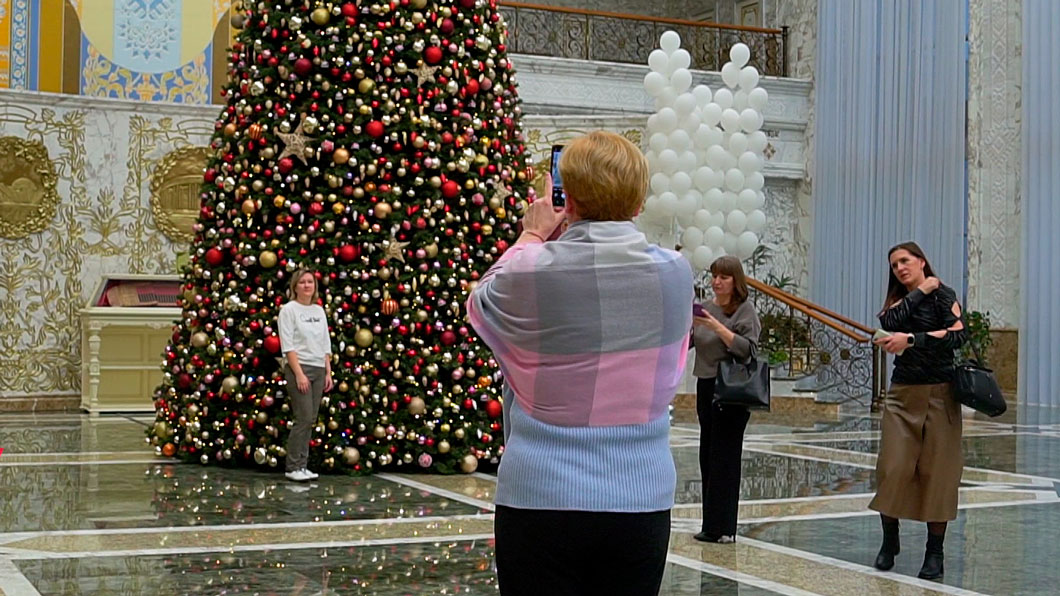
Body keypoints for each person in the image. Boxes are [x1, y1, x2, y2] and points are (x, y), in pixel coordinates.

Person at [467, 131, 694, 596]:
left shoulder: (530, 268)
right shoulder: (674, 272)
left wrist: (531, 233)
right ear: (637, 204)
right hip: (639, 498)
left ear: (566, 199)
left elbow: (481, 303)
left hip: (540, 496)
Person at [870, 241, 966, 580]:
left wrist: (912, 340)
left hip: (941, 394)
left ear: (922, 260)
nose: (899, 268)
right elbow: (891, 320)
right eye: (894, 264)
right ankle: (889, 538)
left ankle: (934, 551)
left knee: (938, 474)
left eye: (905, 261)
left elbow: (956, 335)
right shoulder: (899, 302)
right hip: (903, 395)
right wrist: (920, 289)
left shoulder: (945, 296)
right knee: (892, 468)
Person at [690, 255, 762, 544]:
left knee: (725, 457)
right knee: (707, 452)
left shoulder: (744, 311)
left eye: (724, 277)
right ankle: (711, 522)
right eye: (714, 276)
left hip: (731, 389)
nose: (717, 282)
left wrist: (717, 326)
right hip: (706, 385)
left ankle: (724, 526)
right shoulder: (704, 308)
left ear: (736, 281)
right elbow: (691, 341)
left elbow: (748, 349)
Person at [278, 268, 333, 482]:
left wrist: (327, 371)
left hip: (318, 368)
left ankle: (303, 464)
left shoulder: (319, 311)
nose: (307, 286)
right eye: (302, 282)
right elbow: (288, 346)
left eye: (310, 282)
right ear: (295, 287)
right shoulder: (289, 310)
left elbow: (324, 343)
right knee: (303, 417)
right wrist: (299, 374)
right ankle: (293, 466)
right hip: (299, 368)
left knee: (310, 419)